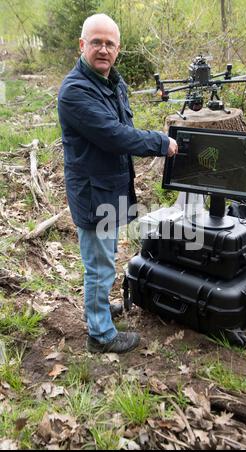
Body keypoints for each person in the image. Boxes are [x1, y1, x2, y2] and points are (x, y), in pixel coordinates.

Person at [57, 14, 178, 354]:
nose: (103, 49)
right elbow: (114, 135)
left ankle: (97, 311)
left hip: (110, 187)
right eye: (96, 42)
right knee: (99, 264)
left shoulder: (112, 83)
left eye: (110, 43)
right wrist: (159, 142)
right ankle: (100, 334)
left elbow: (120, 128)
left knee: (105, 257)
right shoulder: (75, 92)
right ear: (83, 45)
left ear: (118, 49)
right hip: (93, 194)